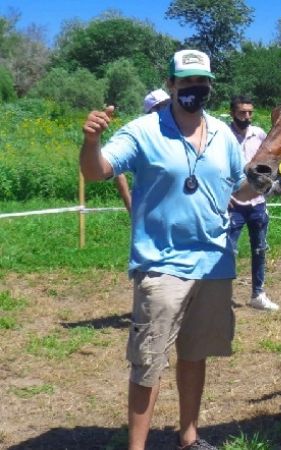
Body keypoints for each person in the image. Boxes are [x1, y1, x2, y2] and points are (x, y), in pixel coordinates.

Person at [80, 49, 256, 450]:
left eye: (202, 82)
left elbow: (238, 189)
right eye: (187, 81)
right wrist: (91, 142)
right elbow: (96, 172)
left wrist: (261, 181)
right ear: (172, 84)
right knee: (148, 362)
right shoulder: (143, 130)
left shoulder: (222, 134)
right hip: (161, 266)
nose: (195, 88)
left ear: (210, 85)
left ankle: (188, 438)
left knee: (195, 355)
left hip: (213, 262)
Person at [226, 95, 279, 311]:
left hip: (257, 203)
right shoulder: (223, 136)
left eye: (250, 112)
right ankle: (222, 295)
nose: (246, 117)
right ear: (232, 113)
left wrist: (271, 185)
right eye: (242, 113)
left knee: (259, 248)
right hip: (232, 204)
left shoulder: (259, 134)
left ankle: (258, 294)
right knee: (227, 250)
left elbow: (271, 160)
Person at [114, 89, 172, 214]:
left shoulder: (177, 133)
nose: (167, 109)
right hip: (151, 215)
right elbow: (117, 171)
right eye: (162, 106)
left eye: (169, 105)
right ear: (151, 111)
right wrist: (130, 205)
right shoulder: (141, 135)